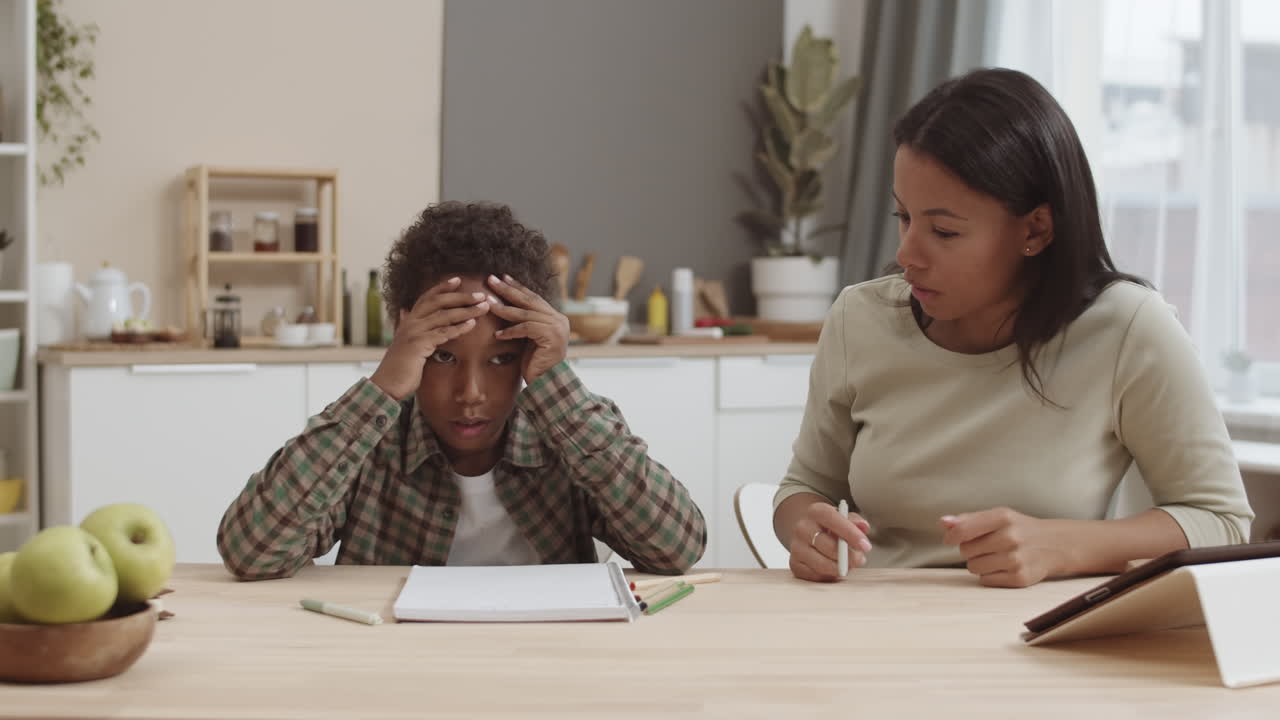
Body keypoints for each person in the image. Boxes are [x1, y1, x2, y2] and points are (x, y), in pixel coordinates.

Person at [773, 68, 1253, 588]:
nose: (906, 254)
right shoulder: (860, 318)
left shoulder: (1128, 328)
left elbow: (1221, 520)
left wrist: (1064, 546)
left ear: (1036, 229)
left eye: (943, 231)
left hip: (1043, 629)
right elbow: (804, 488)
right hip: (871, 621)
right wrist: (808, 531)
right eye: (904, 217)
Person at [218, 201, 706, 579]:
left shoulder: (570, 429)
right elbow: (250, 553)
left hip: (544, 660)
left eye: (500, 360)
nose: (470, 393)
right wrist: (383, 386)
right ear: (407, 342)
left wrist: (558, 382)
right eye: (444, 357)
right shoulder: (371, 441)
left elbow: (677, 549)